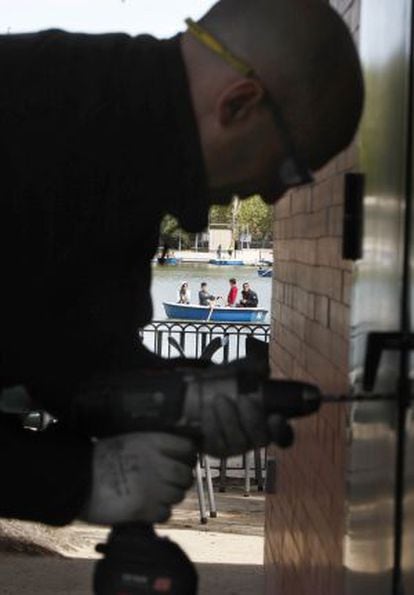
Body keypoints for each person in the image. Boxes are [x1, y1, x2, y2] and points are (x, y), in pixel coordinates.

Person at [0, 0, 363, 529]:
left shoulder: (118, 157)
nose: (273, 195)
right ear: (238, 104)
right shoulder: (30, 124)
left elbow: (66, 358)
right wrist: (78, 480)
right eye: (290, 168)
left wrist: (184, 393)